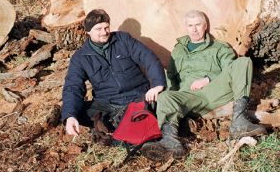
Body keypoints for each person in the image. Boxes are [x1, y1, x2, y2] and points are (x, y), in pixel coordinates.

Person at [145, 10, 266, 157]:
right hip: (188, 96)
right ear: (186, 27)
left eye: (198, 25)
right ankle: (170, 141)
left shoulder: (219, 47)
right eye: (190, 25)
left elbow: (230, 70)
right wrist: (170, 98)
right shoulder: (178, 50)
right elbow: (171, 76)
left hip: (214, 91)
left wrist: (208, 78)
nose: (194, 29)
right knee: (165, 97)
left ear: (205, 26)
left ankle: (239, 121)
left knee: (243, 62)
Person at [62, 9, 166, 137]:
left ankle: (122, 123)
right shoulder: (80, 57)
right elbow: (73, 87)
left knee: (159, 102)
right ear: (88, 31)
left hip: (137, 96)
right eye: (98, 29)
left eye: (106, 27)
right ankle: (121, 121)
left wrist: (157, 85)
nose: (104, 32)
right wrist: (70, 116)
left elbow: (148, 58)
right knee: (74, 111)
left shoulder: (123, 40)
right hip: (107, 103)